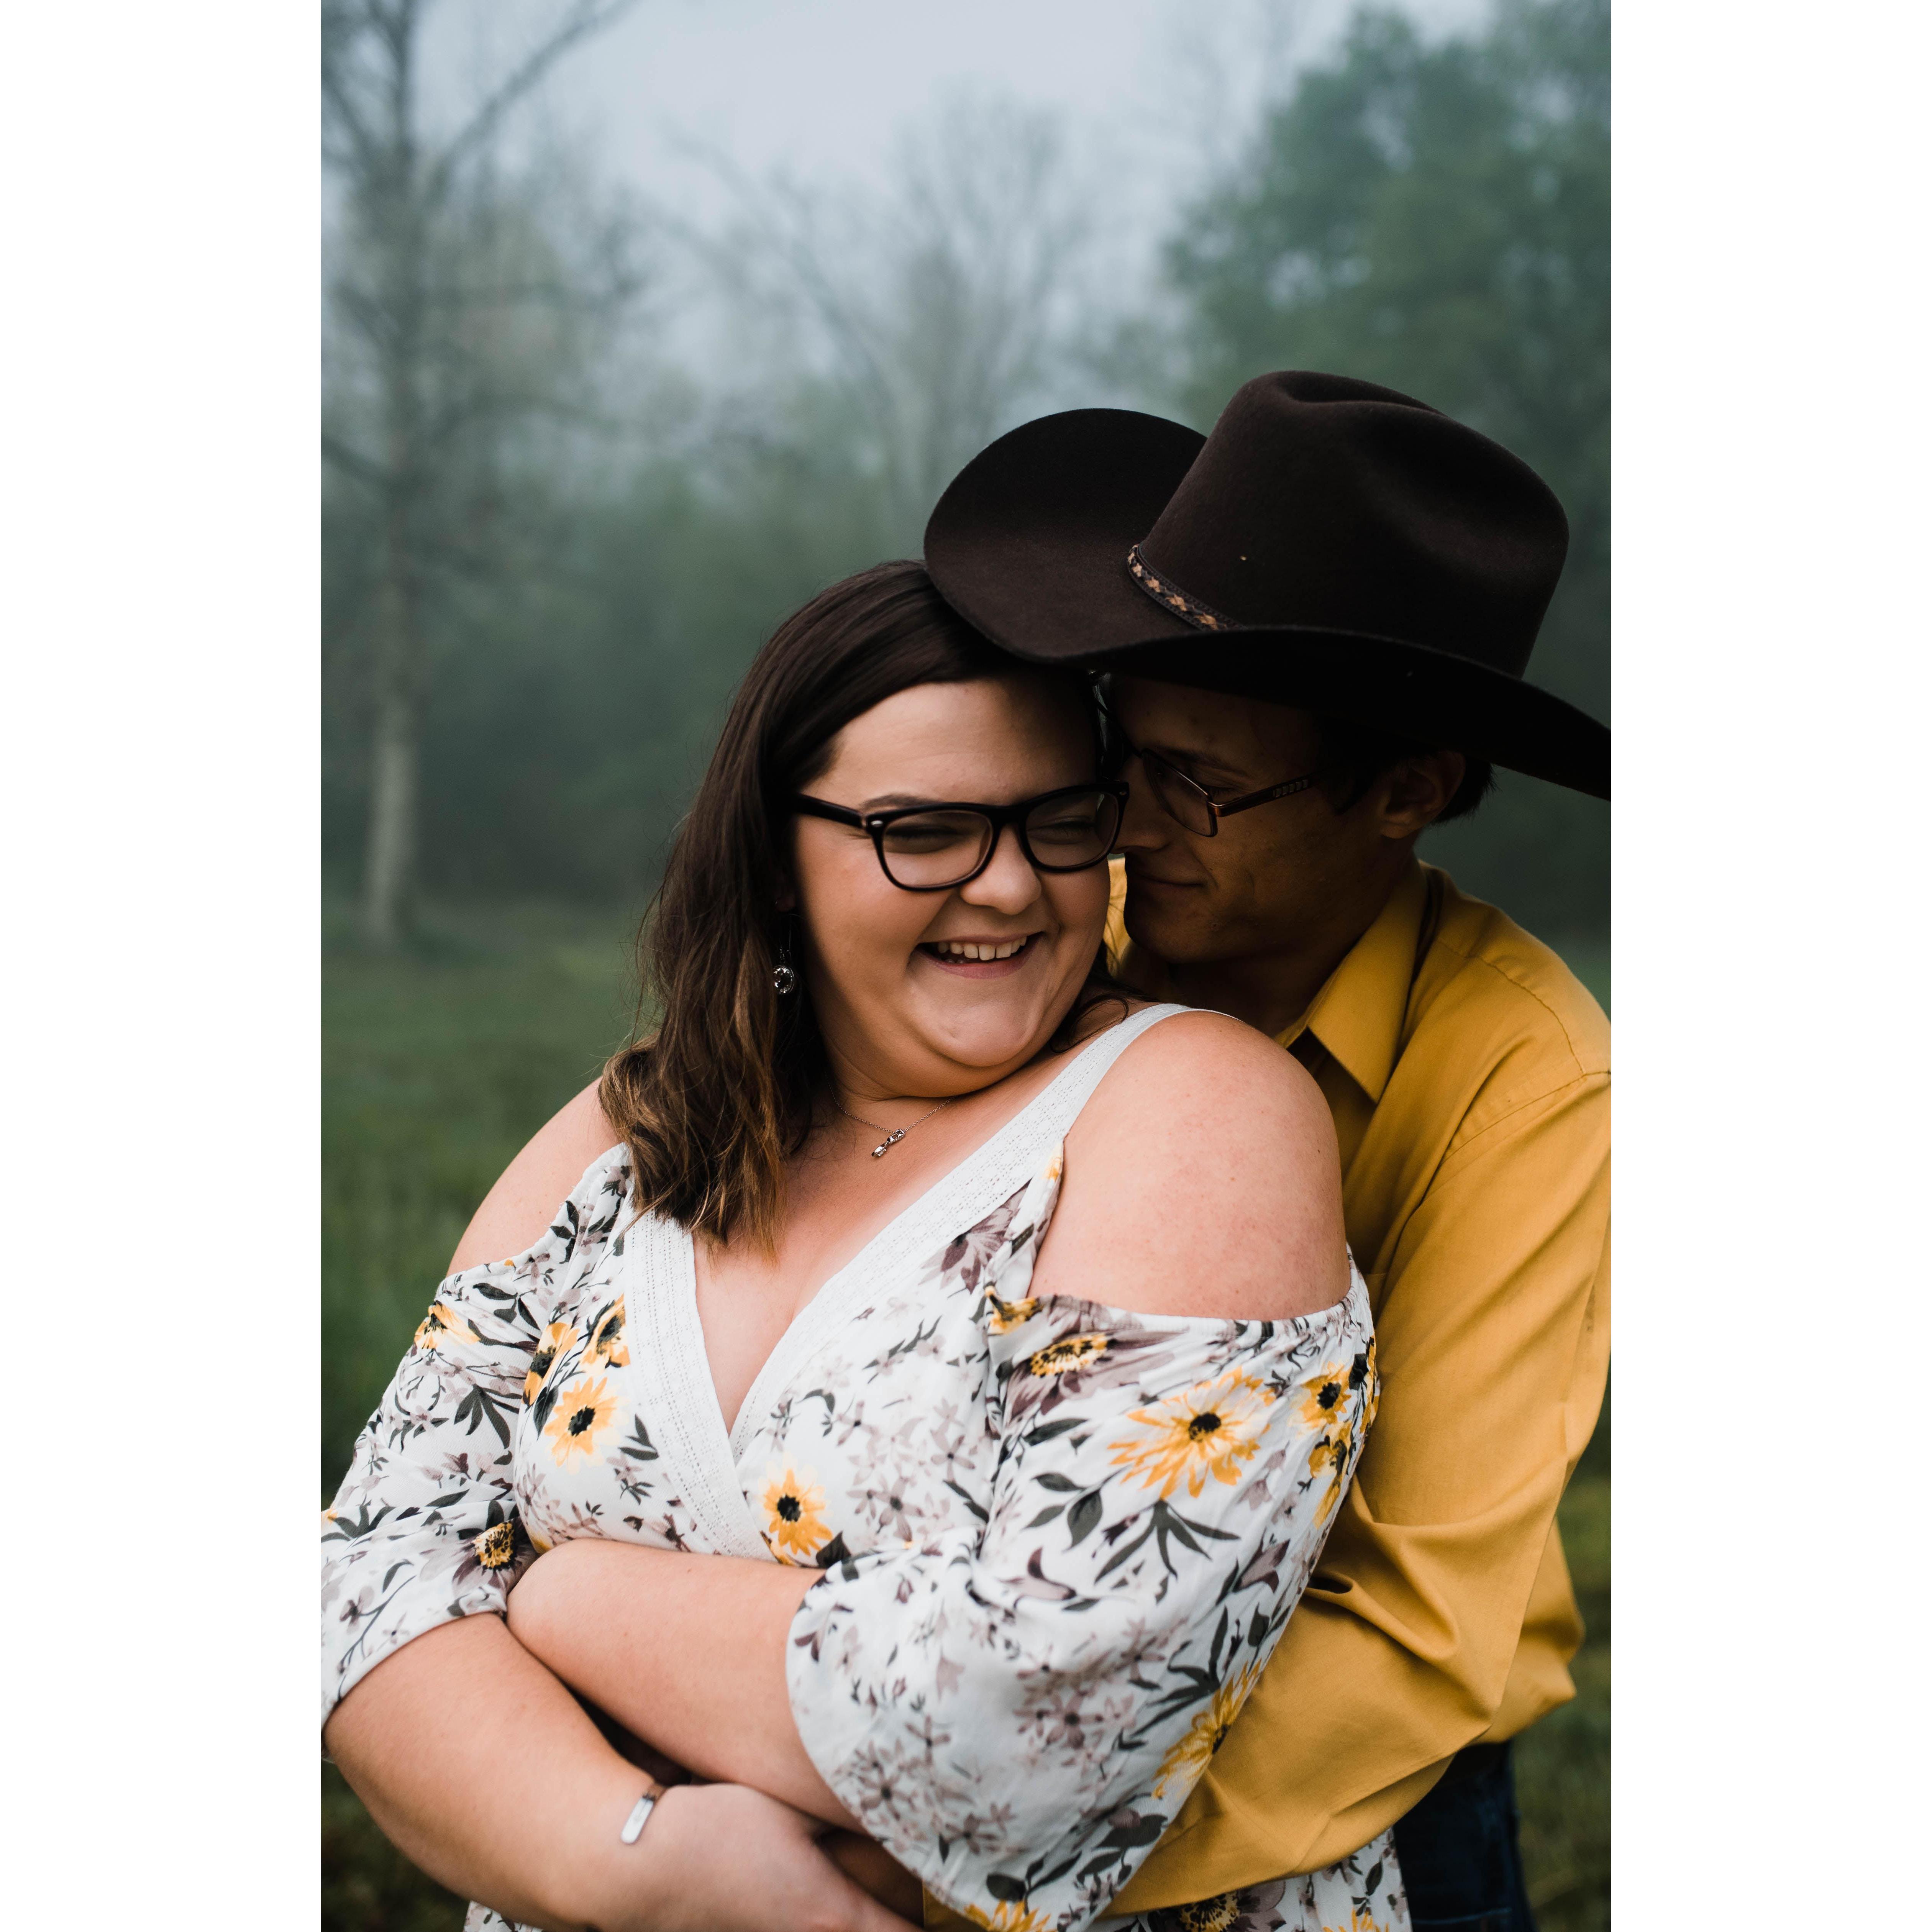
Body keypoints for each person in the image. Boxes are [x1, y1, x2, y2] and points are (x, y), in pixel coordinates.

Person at [321, 560, 1406, 1932]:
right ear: (775, 856)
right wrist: (634, 1860)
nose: (1007, 885)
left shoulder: (1198, 1104)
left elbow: (1024, 1729)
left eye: (1057, 821)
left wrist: (559, 1596)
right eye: (924, 831)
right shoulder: (627, 1130)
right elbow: (364, 1584)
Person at [922, 371, 1612, 1932]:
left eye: (1203, 785)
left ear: (1408, 789)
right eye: (1127, 749)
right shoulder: (1059, 923)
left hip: (1343, 1795)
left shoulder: (1528, 1081)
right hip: (970, 1691)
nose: (1128, 823)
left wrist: (977, 1866)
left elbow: (1415, 1628)